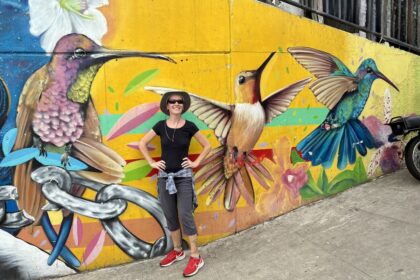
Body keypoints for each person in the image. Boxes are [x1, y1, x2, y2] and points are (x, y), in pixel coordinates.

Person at [139, 91, 211, 277]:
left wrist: (196, 163)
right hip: (164, 178)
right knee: (170, 215)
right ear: (167, 105)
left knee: (185, 214)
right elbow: (142, 144)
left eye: (180, 101)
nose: (176, 104)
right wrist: (151, 163)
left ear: (183, 105)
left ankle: (195, 256)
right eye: (173, 101)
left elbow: (207, 146)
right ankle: (178, 250)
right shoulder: (160, 126)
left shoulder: (190, 127)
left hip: (184, 177)